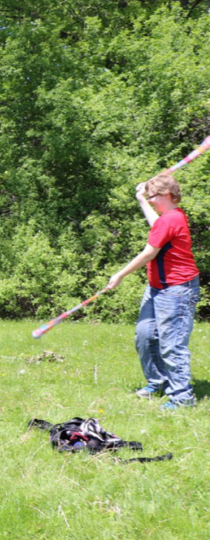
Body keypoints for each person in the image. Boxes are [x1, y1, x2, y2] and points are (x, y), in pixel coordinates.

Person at [106, 174, 200, 410]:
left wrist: (119, 275)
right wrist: (141, 199)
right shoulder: (166, 218)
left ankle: (182, 397)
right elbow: (155, 224)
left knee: (172, 344)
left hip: (177, 290)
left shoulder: (172, 219)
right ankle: (158, 381)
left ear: (167, 195)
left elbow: (149, 253)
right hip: (157, 287)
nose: (151, 200)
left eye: (152, 197)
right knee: (145, 337)